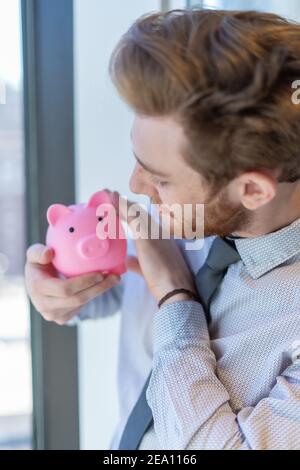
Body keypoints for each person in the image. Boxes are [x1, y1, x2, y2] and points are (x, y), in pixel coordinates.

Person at [25, 8, 300, 449]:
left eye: (160, 178)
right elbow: (119, 289)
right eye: (138, 160)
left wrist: (175, 296)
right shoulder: (190, 213)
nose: (135, 187)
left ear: (252, 189)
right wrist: (61, 288)